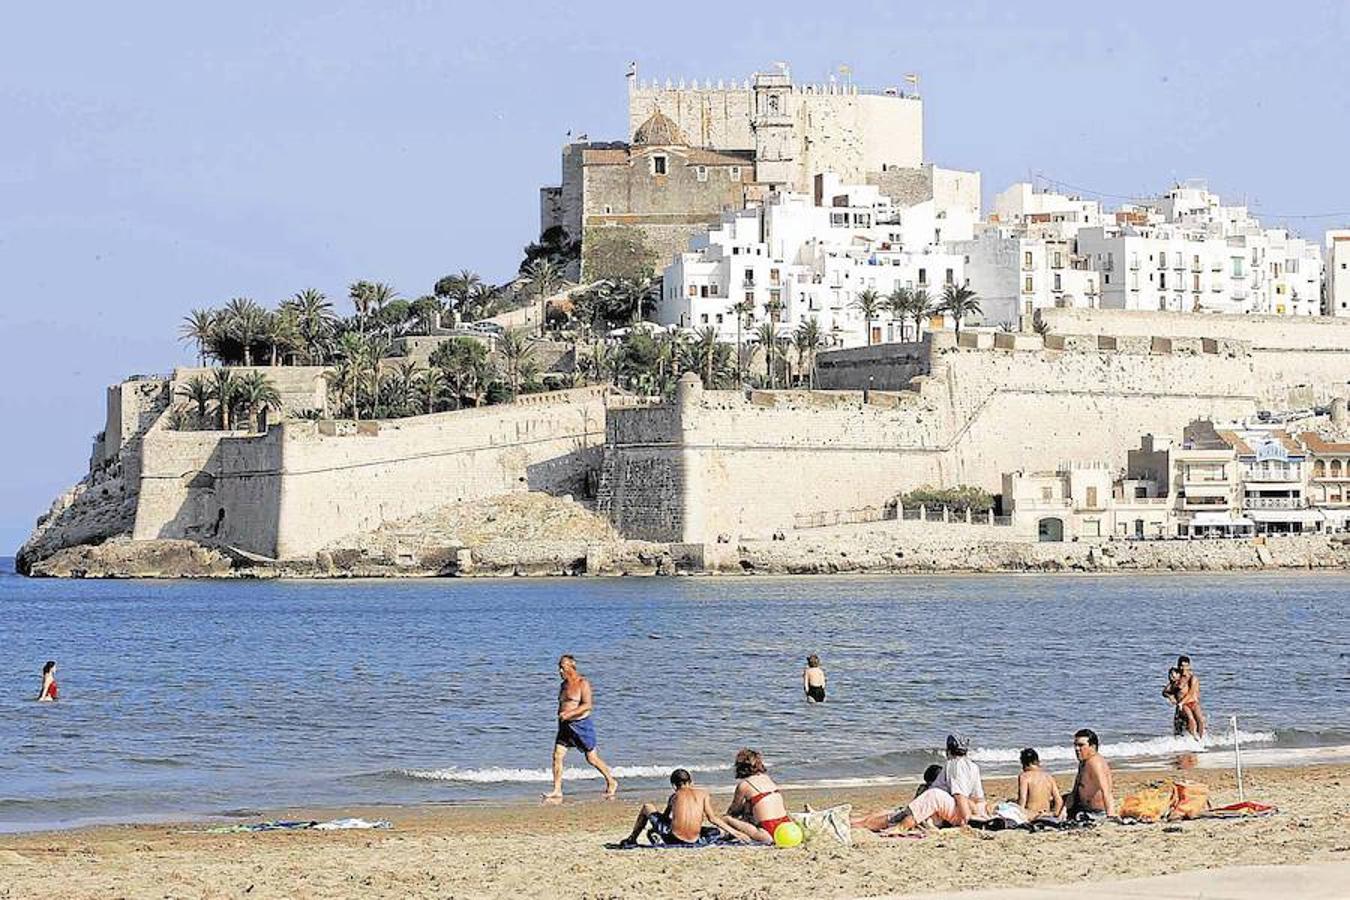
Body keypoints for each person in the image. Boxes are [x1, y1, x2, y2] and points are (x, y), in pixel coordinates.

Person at [542, 654, 617, 802]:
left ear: (571, 667)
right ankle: (557, 790)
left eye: (562, 668)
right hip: (564, 727)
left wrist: (569, 713)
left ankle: (611, 781)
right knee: (557, 756)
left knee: (591, 758)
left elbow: (587, 705)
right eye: (559, 668)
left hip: (581, 725)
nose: (560, 671)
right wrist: (562, 716)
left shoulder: (582, 683)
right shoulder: (563, 685)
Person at [617, 768, 743, 847]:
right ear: (690, 782)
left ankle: (632, 839)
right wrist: (734, 832)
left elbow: (665, 818)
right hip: (695, 840)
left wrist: (654, 829)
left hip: (674, 839)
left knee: (647, 806)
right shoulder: (703, 794)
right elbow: (712, 818)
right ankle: (729, 835)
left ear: (674, 785)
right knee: (715, 831)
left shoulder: (674, 796)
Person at [723, 748, 792, 844]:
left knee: (726, 819)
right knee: (751, 804)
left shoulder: (745, 784)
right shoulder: (766, 778)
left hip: (768, 830)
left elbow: (734, 810)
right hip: (786, 826)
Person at [932, 734, 987, 820]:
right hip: (966, 805)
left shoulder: (953, 764)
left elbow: (959, 794)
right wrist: (980, 813)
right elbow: (978, 798)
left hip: (954, 809)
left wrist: (966, 818)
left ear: (948, 751)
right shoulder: (974, 767)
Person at [1065, 729, 1115, 817]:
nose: (1076, 749)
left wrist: (1110, 815)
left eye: (1081, 745)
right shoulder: (1084, 761)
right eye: (1075, 745)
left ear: (1092, 747)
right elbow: (1076, 788)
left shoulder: (1095, 763)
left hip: (1095, 812)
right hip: (1080, 806)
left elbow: (1106, 791)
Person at [1015, 748, 1063, 819]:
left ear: (1024, 764)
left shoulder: (1024, 776)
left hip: (1031, 815)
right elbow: (1059, 801)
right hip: (1045, 814)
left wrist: (1019, 814)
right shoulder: (1048, 777)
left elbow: (1023, 799)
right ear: (1037, 761)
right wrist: (1054, 813)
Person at [1176, 656, 1207, 739]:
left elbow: (1191, 692)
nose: (1183, 668)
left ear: (1189, 666)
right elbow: (1167, 690)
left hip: (1192, 702)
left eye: (1185, 666)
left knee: (1200, 719)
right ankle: (1192, 738)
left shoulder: (1193, 678)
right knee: (1191, 719)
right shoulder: (1177, 678)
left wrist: (1181, 703)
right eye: (1181, 666)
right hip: (1183, 704)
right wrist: (1170, 696)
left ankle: (1200, 739)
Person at [1162, 667, 1186, 736]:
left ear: (1178, 675)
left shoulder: (1182, 682)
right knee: (1177, 728)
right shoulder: (1171, 684)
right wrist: (1170, 696)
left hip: (1186, 706)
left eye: (1172, 674)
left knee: (1187, 725)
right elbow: (1164, 692)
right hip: (1179, 708)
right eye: (1169, 675)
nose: (1170, 676)